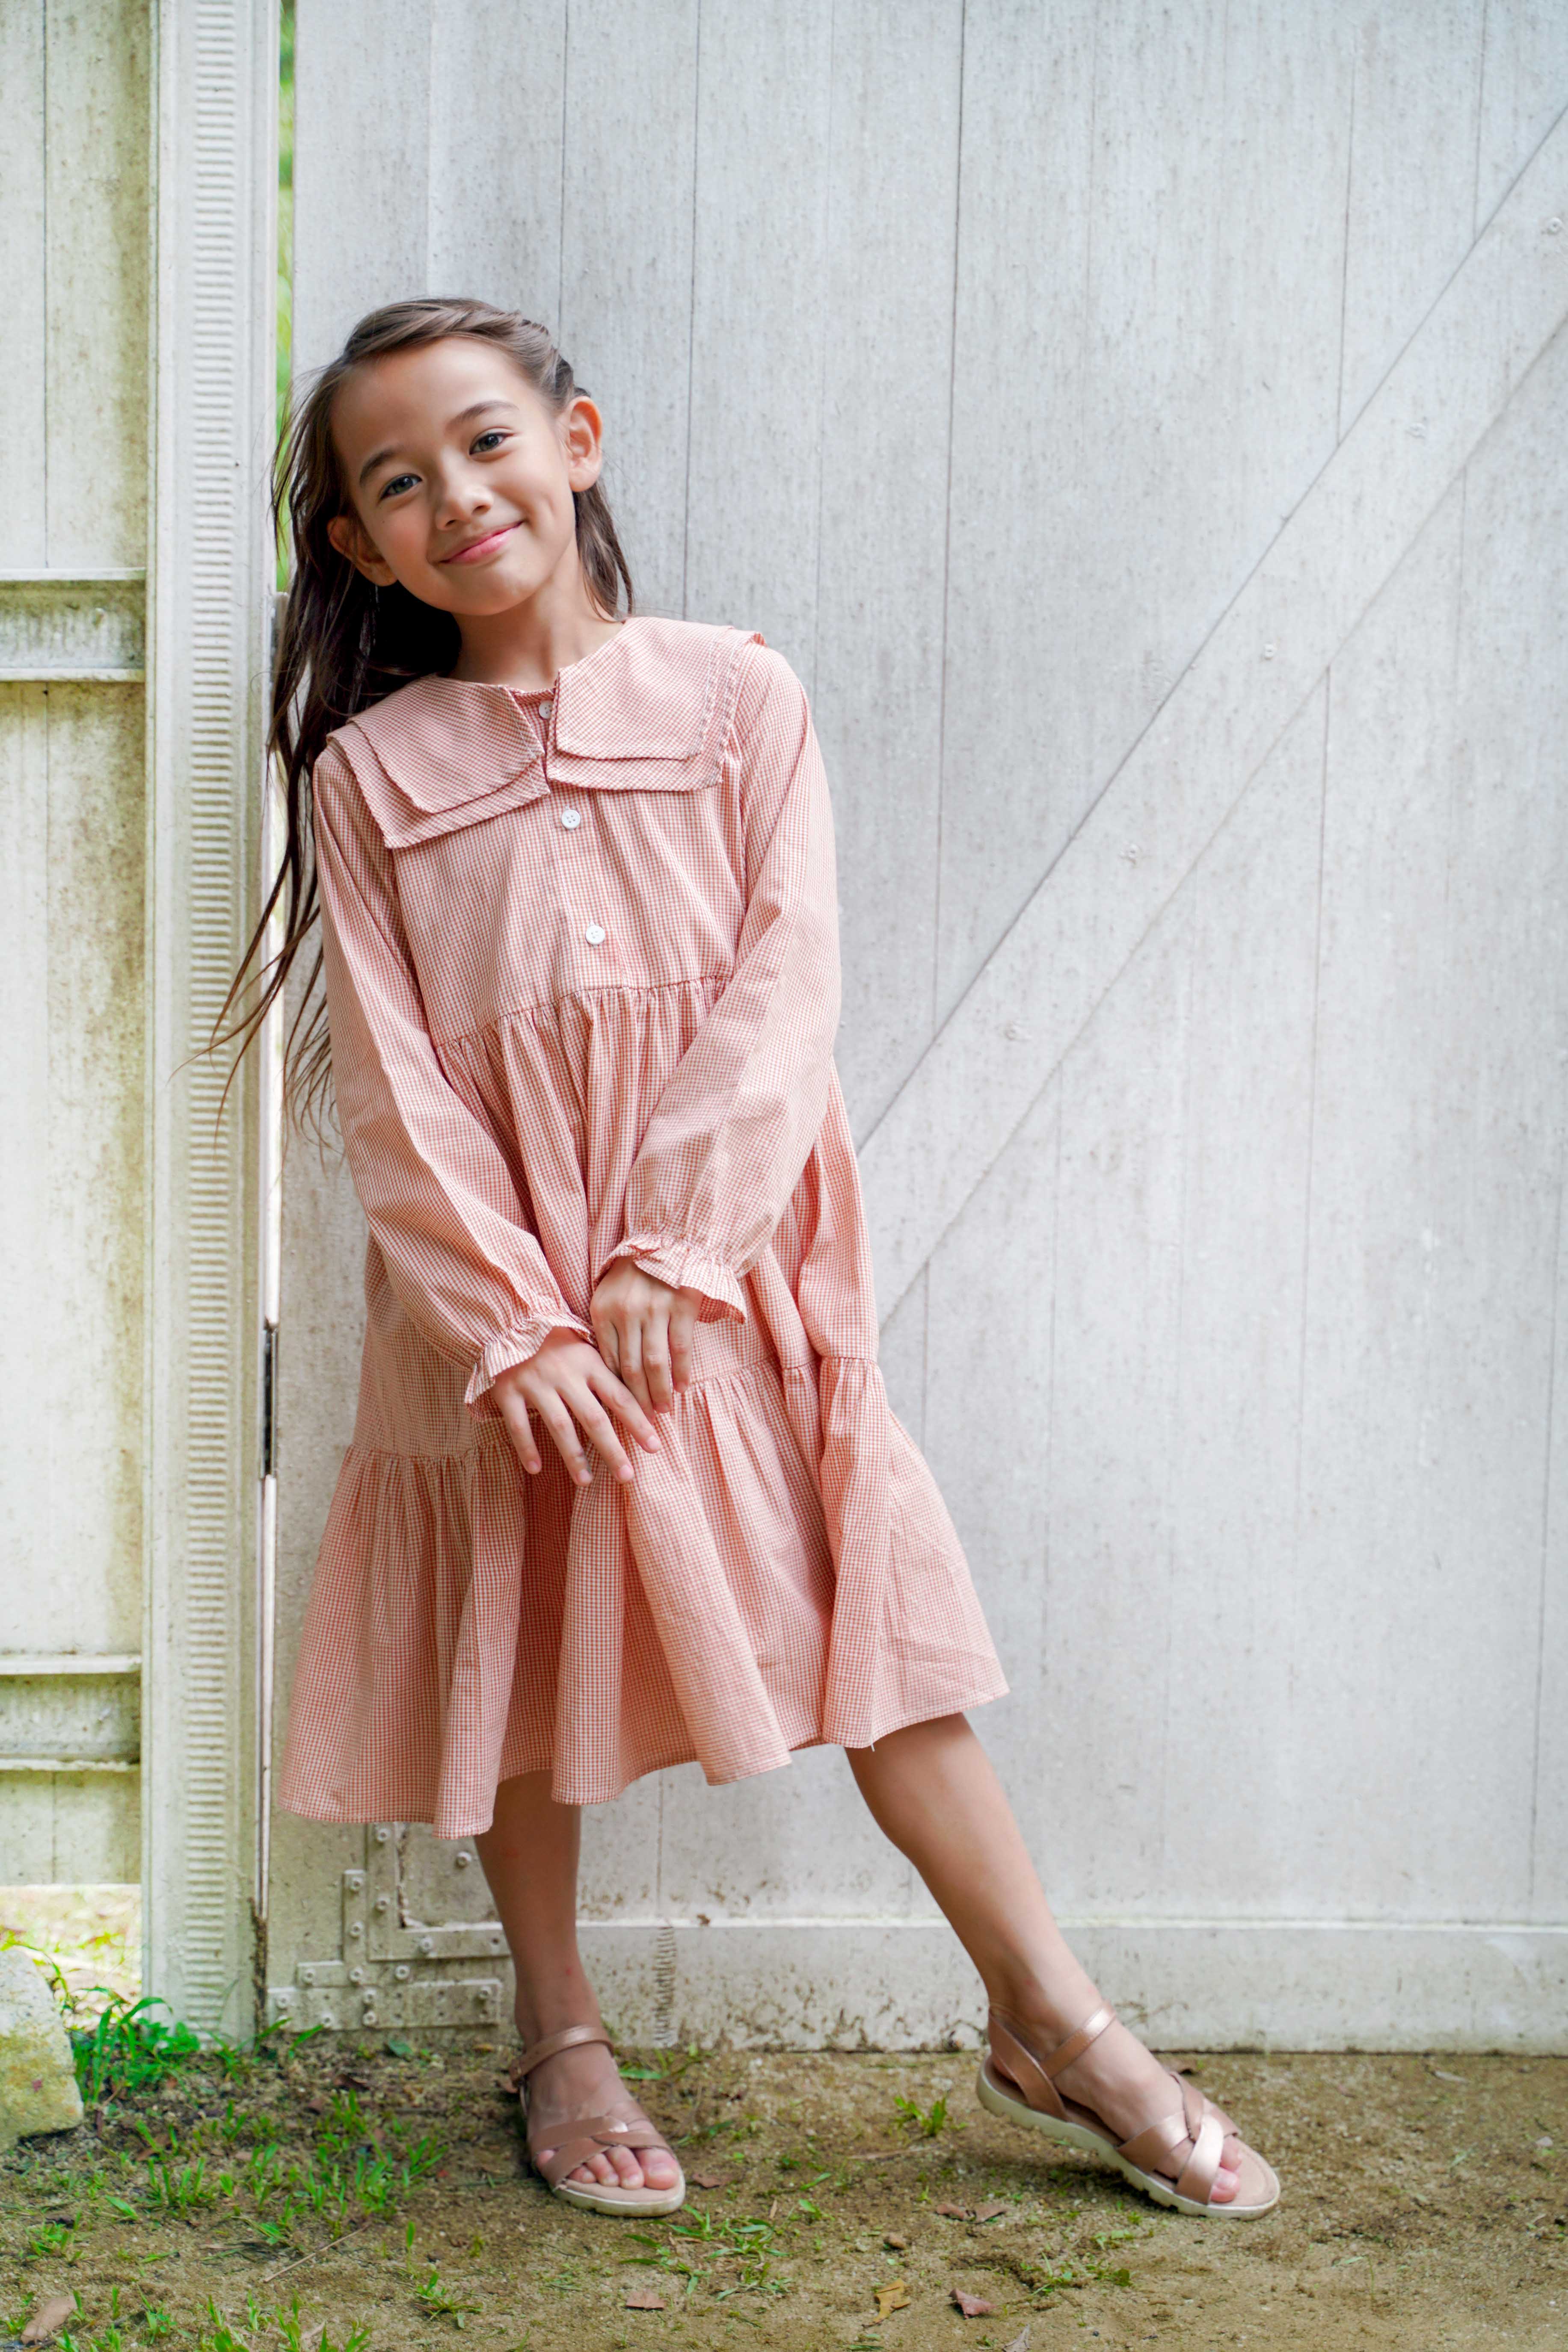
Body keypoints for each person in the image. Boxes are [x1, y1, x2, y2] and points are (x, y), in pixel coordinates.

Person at [224, 296, 1279, 2223]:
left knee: (866, 1630)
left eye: (484, 440)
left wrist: (676, 1245)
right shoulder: (368, 777)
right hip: (502, 1304)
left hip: (729, 1282)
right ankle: (559, 2032)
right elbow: (388, 1085)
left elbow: (786, 990)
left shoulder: (736, 696)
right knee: (518, 1633)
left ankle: (1051, 2014)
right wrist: (511, 1320)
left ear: (578, 440)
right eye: (397, 481)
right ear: (360, 547)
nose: (455, 494)